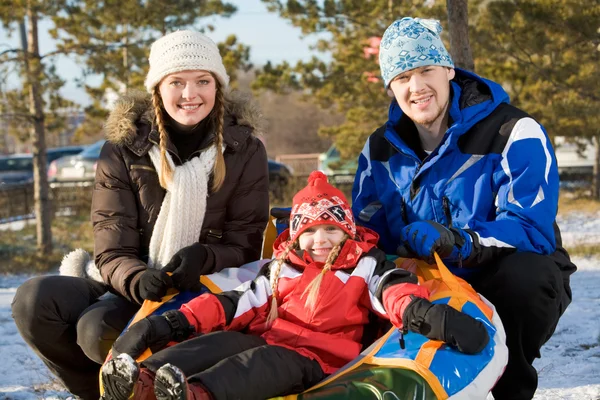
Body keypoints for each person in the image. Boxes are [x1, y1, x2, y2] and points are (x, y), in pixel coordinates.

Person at [11, 30, 270, 400]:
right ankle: (101, 393)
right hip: (133, 282)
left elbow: (246, 243)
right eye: (176, 82)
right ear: (157, 88)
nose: (190, 94)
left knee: (95, 329)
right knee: (34, 299)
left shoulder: (244, 149)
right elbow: (111, 243)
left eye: (203, 81)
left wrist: (205, 258)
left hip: (208, 289)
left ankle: (140, 387)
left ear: (218, 86)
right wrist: (136, 278)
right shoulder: (122, 150)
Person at [98, 171, 489, 400]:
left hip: (317, 359)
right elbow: (235, 305)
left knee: (259, 363)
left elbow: (395, 294)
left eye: (331, 230)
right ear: (297, 236)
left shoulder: (363, 265)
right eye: (311, 230)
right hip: (268, 337)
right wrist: (168, 324)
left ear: (346, 231)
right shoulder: (281, 267)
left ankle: (194, 395)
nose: (320, 240)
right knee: (223, 342)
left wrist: (432, 317)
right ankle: (144, 381)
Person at [351, 17, 576, 400]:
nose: (417, 87)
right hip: (424, 284)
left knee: (527, 275)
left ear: (449, 70)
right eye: (403, 77)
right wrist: (321, 227)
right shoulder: (379, 151)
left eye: (426, 70)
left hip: (496, 275)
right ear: (391, 87)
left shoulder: (512, 131)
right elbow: (365, 232)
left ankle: (512, 385)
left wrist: (460, 241)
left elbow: (530, 227)